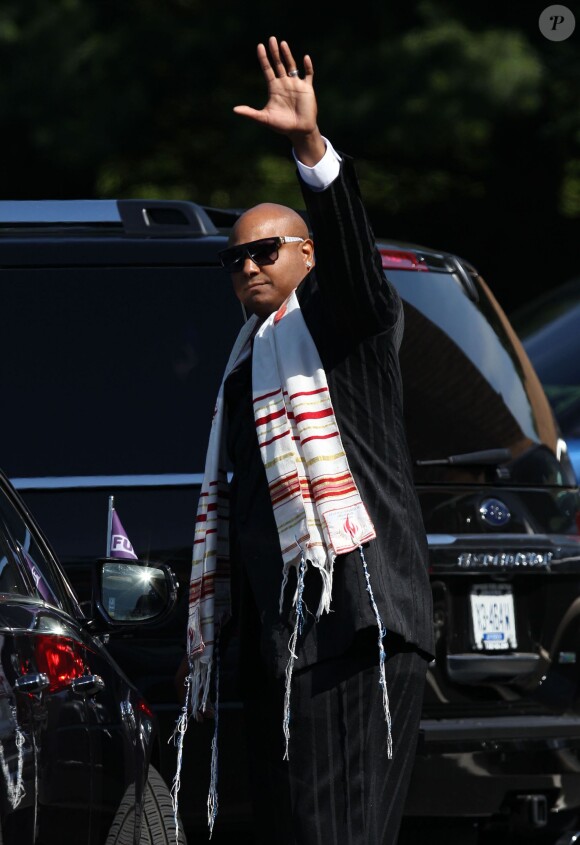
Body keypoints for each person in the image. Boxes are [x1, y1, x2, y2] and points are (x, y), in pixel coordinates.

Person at [174, 35, 434, 845]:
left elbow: (358, 264)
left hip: (356, 636)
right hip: (285, 657)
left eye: (265, 251)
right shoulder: (245, 364)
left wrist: (310, 149)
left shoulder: (343, 327)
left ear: (306, 255)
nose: (248, 267)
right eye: (234, 259)